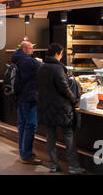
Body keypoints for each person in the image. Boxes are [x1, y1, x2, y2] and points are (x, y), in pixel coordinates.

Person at [36, 43, 84, 174]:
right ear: (57, 54)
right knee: (69, 136)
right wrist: (74, 99)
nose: (61, 56)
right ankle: (73, 167)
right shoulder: (57, 69)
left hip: (46, 107)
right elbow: (64, 89)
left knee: (50, 136)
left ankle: (53, 165)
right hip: (61, 108)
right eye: (61, 54)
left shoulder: (41, 68)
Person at [11, 41, 42, 165]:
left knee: (22, 125)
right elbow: (43, 67)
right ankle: (27, 155)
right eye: (30, 48)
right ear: (24, 49)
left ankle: (23, 152)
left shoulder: (16, 58)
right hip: (29, 97)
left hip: (20, 97)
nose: (32, 51)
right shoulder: (27, 60)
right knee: (31, 125)